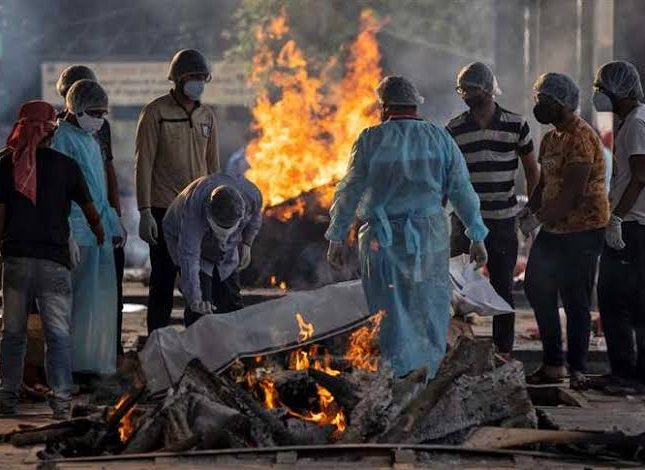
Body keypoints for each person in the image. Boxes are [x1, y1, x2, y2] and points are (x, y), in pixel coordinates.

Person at [325, 76, 489, 379]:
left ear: (384, 107)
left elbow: (349, 190)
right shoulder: (440, 139)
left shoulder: (370, 139)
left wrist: (337, 236)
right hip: (430, 238)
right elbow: (462, 190)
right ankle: (427, 374)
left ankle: (397, 374)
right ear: (415, 106)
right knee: (429, 306)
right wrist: (476, 236)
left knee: (389, 308)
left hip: (381, 242)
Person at [0, 101, 104, 417]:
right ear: (50, 131)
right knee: (58, 335)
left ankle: (7, 397)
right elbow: (89, 210)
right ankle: (60, 400)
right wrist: (100, 233)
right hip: (54, 263)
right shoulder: (65, 166)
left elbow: (0, 216)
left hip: (16, 260)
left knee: (13, 334)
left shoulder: (5, 165)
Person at [523, 73, 609, 390]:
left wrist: (538, 220)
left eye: (546, 100)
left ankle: (577, 369)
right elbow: (544, 184)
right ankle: (552, 363)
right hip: (555, 227)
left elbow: (572, 194)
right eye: (539, 99)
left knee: (576, 299)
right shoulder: (551, 137)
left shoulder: (581, 138)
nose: (540, 105)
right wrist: (529, 209)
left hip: (583, 229)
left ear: (563, 103)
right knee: (536, 286)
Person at [447, 62, 539, 357]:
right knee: (458, 288)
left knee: (502, 287)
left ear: (487, 89)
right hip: (463, 222)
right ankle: (458, 349)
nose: (465, 95)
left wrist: (533, 208)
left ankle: (503, 352)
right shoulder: (455, 129)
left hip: (502, 221)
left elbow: (531, 170)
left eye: (470, 89)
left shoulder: (516, 124)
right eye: (462, 90)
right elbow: (447, 176)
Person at [135, 49, 220, 333]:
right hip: (162, 208)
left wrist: (215, 208)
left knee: (197, 279)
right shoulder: (155, 113)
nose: (198, 82)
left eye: (202, 77)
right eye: (193, 77)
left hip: (196, 211)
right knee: (162, 278)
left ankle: (194, 344)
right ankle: (157, 342)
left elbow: (214, 167)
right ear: (178, 78)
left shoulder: (207, 116)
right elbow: (143, 163)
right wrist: (144, 212)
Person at [51, 80, 122, 376]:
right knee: (75, 304)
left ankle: (93, 363)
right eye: (95, 112)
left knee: (98, 304)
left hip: (98, 231)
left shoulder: (90, 139)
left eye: (103, 113)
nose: (99, 119)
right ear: (76, 107)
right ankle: (71, 367)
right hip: (77, 232)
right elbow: (60, 192)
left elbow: (99, 188)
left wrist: (114, 221)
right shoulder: (62, 139)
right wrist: (65, 231)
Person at [593, 61, 645, 392]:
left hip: (633, 224)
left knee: (616, 299)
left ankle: (627, 375)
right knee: (630, 301)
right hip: (632, 222)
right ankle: (628, 373)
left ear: (620, 91)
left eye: (602, 89)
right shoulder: (631, 121)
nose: (599, 95)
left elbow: (640, 176)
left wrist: (615, 219)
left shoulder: (637, 124)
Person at [162, 174, 262, 327]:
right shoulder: (193, 213)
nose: (222, 237)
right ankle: (197, 344)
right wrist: (195, 299)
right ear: (209, 214)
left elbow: (255, 217)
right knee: (201, 305)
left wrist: (247, 243)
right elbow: (190, 257)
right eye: (220, 229)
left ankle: (232, 343)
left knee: (230, 299)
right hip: (182, 236)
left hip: (229, 247)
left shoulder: (252, 195)